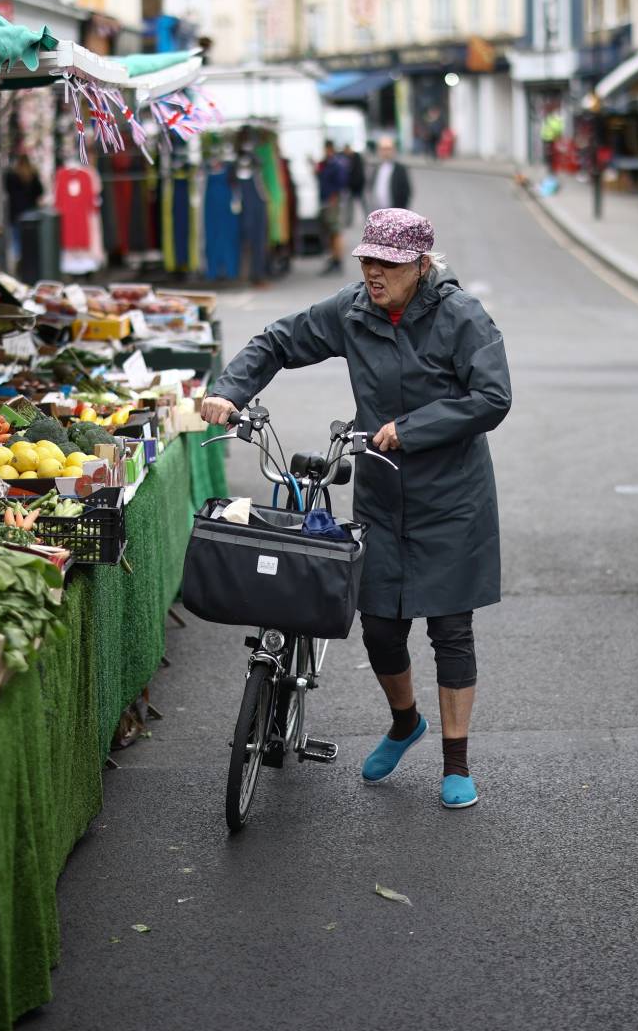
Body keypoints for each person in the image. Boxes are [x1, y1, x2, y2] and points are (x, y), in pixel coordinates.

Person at [200, 208, 511, 810]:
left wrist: (412, 428)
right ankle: (404, 722)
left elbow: (492, 397)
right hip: (382, 491)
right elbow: (279, 341)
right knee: (380, 628)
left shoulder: (461, 317)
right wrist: (229, 389)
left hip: (453, 496)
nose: (374, 273)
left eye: (388, 264)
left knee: (450, 628)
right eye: (368, 260)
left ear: (421, 266)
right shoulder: (353, 310)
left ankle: (456, 762)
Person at [2, 150, 43, 270]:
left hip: (15, 212)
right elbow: (40, 191)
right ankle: (30, 260)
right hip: (30, 211)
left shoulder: (11, 175)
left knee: (16, 238)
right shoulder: (33, 174)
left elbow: (7, 190)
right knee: (30, 238)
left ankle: (19, 259)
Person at [317, 144, 353, 275]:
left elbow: (341, 183)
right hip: (327, 201)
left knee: (335, 231)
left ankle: (338, 260)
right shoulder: (326, 164)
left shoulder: (336, 164)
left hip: (333, 202)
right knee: (331, 233)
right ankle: (334, 258)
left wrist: (334, 196)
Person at [369, 136, 413, 211]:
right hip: (378, 210)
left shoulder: (400, 169)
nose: (385, 152)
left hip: (394, 211)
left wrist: (401, 210)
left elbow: (406, 191)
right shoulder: (377, 168)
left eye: (388, 149)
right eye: (383, 149)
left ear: (393, 150)